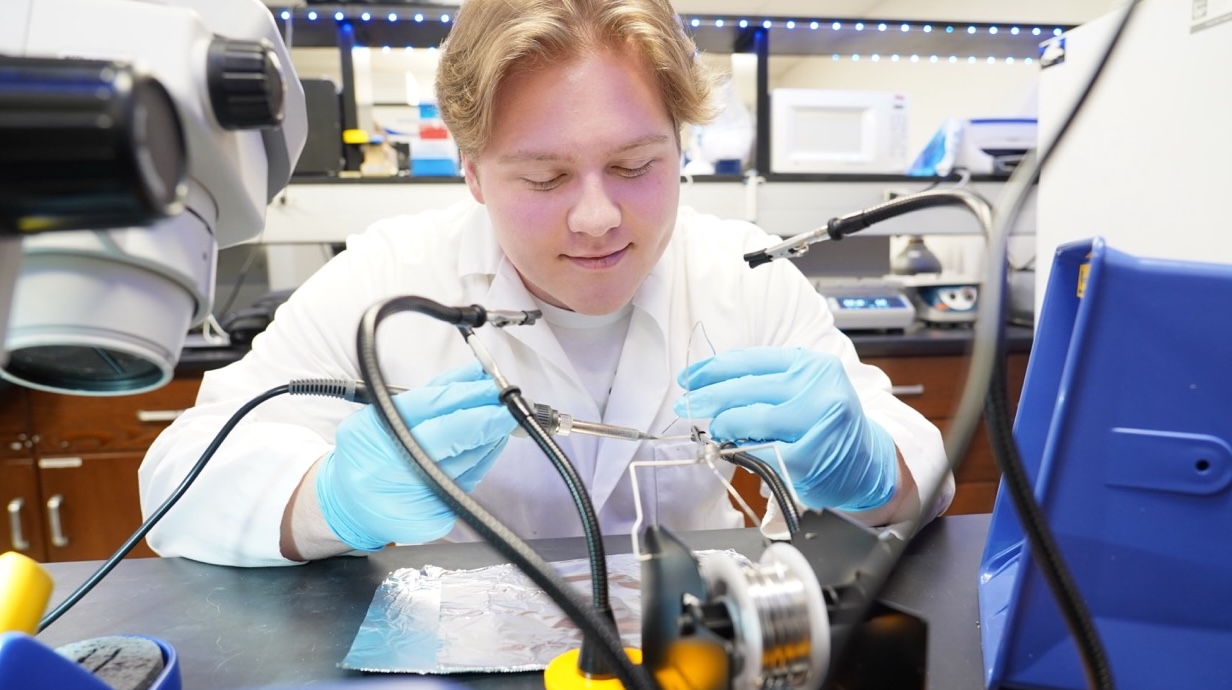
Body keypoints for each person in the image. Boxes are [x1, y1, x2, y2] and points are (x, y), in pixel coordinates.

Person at [139, 0, 952, 567]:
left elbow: (920, 467)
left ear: (680, 150)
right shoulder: (385, 281)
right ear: (473, 176)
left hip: (686, 649)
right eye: (543, 177)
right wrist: (330, 501)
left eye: (636, 166)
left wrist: (873, 472)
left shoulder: (742, 274)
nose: (598, 217)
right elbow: (177, 480)